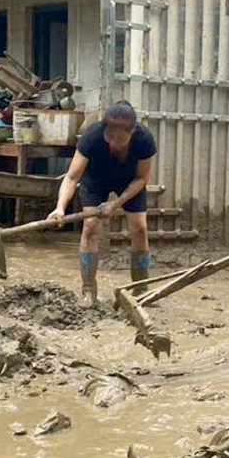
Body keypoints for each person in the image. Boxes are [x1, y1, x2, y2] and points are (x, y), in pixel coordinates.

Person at [48, 101, 156, 306]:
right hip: (96, 178)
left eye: (121, 138)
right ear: (104, 130)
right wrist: (60, 207)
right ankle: (89, 291)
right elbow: (72, 177)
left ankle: (141, 289)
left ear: (132, 132)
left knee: (140, 228)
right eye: (110, 137)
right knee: (90, 226)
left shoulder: (144, 139)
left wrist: (116, 204)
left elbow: (142, 178)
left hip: (130, 180)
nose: (114, 143)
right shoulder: (92, 136)